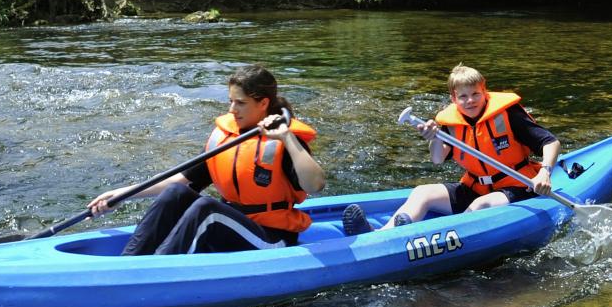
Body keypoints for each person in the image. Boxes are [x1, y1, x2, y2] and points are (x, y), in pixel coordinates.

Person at [90, 64, 325, 254]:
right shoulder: (227, 137)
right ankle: (130, 264)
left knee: (208, 208)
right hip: (230, 226)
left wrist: (287, 138)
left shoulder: (285, 140)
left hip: (272, 238)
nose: (232, 109)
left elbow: (315, 185)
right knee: (175, 193)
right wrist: (123, 194)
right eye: (230, 101)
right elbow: (183, 181)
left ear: (263, 103)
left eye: (241, 103)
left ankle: (157, 271)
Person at [344, 64, 558, 233]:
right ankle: (381, 234)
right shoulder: (449, 123)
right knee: (422, 192)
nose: (470, 100)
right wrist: (434, 137)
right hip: (475, 186)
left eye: (475, 93)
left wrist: (545, 172)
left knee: (482, 205)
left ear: (484, 91)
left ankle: (440, 239)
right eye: (463, 96)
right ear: (453, 98)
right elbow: (437, 159)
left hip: (518, 184)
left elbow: (551, 142)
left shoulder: (509, 115)